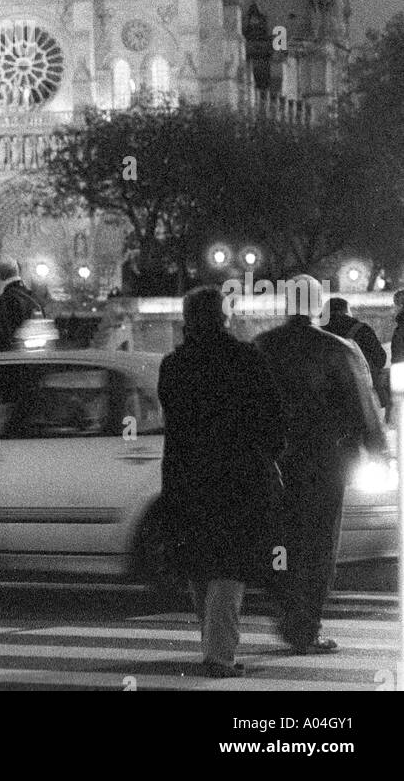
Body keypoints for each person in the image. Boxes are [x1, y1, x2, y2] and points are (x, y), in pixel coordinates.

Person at [255, 274, 388, 655]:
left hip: (274, 464)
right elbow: (364, 407)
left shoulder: (263, 346)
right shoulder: (339, 349)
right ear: (317, 306)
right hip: (325, 464)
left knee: (279, 541)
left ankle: (285, 610)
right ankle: (304, 625)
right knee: (318, 546)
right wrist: (377, 451)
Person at [158, 285, 285, 678]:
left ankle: (212, 644)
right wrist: (270, 454)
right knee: (232, 565)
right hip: (239, 475)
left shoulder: (174, 365)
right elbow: (273, 417)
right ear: (224, 316)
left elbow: (174, 418)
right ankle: (219, 655)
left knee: (200, 562)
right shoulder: (247, 359)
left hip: (188, 474)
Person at [322, 295, 388, 410]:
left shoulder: (318, 332)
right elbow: (380, 360)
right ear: (346, 311)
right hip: (361, 392)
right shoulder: (361, 330)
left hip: (329, 396)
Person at [0, 259, 45, 352]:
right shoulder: (33, 297)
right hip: (37, 354)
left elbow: (2, 337)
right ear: (18, 271)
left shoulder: (5, 300)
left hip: (14, 358)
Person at [391, 290, 404, 366]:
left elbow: (398, 359)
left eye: (394, 305)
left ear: (401, 306)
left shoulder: (401, 328)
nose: (393, 309)